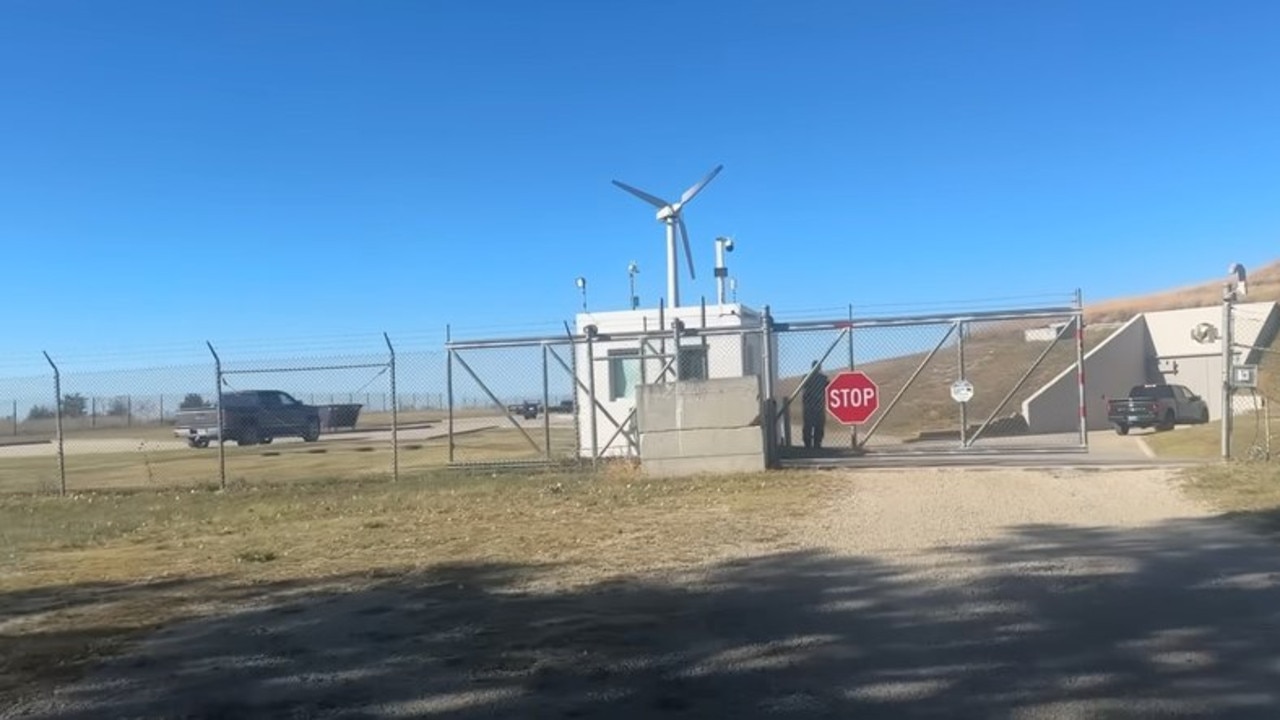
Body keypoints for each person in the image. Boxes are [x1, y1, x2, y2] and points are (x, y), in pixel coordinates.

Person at [801, 360, 829, 449]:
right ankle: (816, 443)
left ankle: (808, 444)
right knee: (818, 425)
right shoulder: (823, 378)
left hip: (809, 405)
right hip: (818, 405)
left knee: (809, 425)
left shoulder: (806, 377)